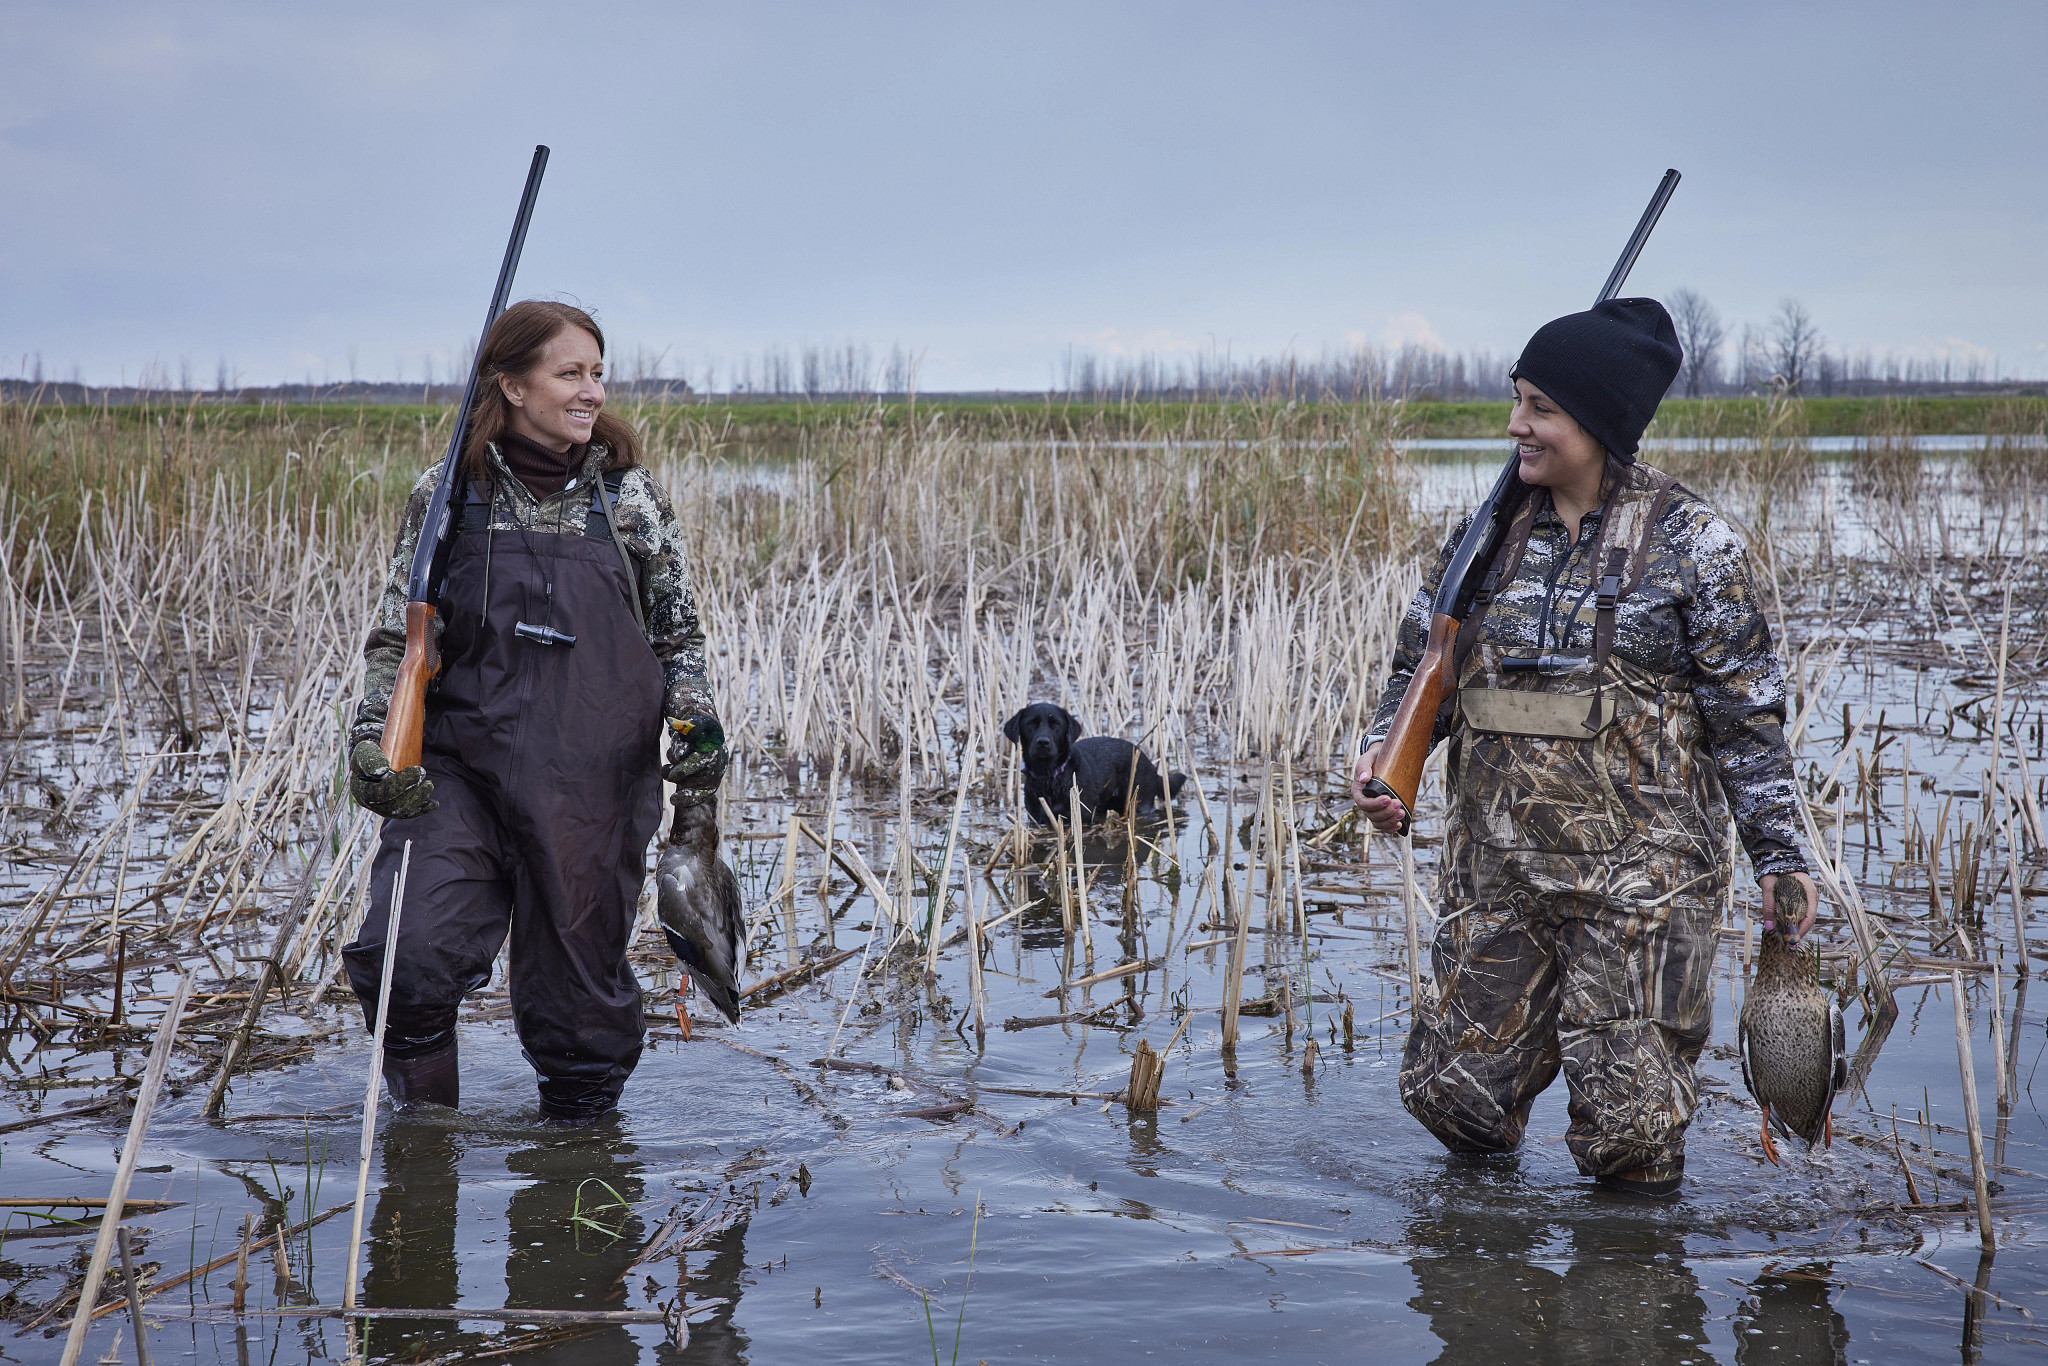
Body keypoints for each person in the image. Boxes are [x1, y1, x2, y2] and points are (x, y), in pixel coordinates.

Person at [1350, 298, 1817, 1196]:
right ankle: (1488, 1286)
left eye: (1541, 407)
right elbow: (1419, 675)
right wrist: (1380, 763)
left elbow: (1748, 725)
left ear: (1599, 421)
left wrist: (1780, 859)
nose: (1515, 425)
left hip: (1641, 887)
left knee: (1629, 1137)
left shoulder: (1694, 545)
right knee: (1452, 1101)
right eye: (1517, 399)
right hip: (1498, 876)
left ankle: (1625, 1293)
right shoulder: (1483, 543)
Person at [343, 299, 725, 1125]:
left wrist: (695, 722)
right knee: (404, 963)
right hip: (460, 772)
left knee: (579, 1018)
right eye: (569, 373)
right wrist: (371, 738)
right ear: (512, 384)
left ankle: (578, 1192)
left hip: (594, 781)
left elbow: (679, 638)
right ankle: (424, 1163)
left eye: (597, 373)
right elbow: (397, 636)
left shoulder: (630, 501)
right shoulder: (446, 495)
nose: (591, 392)